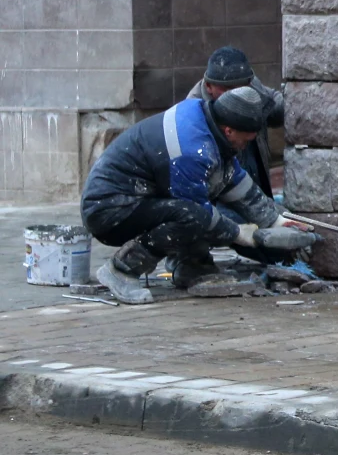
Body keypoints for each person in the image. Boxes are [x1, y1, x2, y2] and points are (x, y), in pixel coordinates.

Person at [81, 87, 296, 304]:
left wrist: (275, 220)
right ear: (229, 131)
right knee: (192, 215)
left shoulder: (206, 117)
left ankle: (192, 265)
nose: (246, 144)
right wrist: (239, 233)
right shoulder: (192, 150)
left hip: (137, 196)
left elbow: (233, 180)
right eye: (246, 140)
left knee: (198, 201)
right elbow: (200, 213)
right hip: (109, 210)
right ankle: (122, 270)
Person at [186, 46, 284, 198]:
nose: (238, 97)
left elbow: (278, 109)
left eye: (242, 88)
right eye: (226, 90)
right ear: (208, 86)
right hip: (222, 201)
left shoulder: (251, 87)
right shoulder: (194, 118)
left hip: (258, 187)